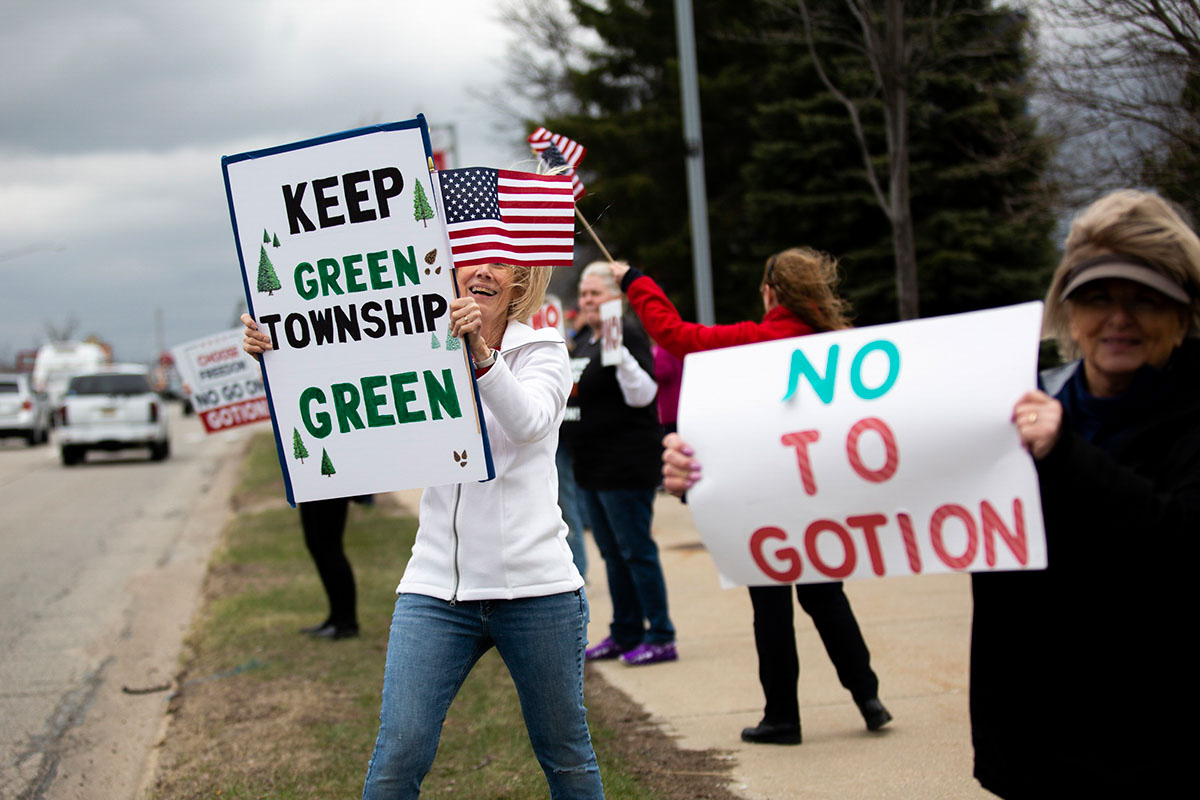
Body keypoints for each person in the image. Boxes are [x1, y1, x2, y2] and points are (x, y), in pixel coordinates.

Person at [242, 261, 604, 799]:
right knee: (399, 752)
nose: (481, 270)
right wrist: (278, 351)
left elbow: (528, 424)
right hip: (436, 590)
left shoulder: (543, 349)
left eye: (498, 262)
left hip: (535, 590)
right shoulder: (418, 340)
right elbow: (348, 382)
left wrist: (480, 353)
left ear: (521, 283)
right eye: (468, 258)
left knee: (565, 753)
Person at [969, 189, 1199, 797]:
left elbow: (1178, 542)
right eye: (1097, 298)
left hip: (1158, 753)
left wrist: (1065, 453)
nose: (1119, 318)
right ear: (1068, 310)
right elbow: (884, 492)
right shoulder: (1011, 410)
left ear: (1183, 313)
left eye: (1145, 299)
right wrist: (720, 476)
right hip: (1034, 750)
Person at [619, 249, 891, 744]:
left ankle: (783, 717)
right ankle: (867, 696)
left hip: (766, 501)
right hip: (817, 497)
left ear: (771, 291)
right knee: (827, 597)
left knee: (770, 607)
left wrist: (638, 282)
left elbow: (675, 336)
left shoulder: (756, 340)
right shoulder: (839, 348)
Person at [563, 262, 678, 666]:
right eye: (584, 293)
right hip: (591, 464)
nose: (587, 301)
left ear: (617, 298)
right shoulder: (583, 340)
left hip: (625, 463)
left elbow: (642, 394)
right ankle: (626, 631)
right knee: (612, 553)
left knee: (635, 550)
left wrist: (620, 355)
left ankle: (661, 633)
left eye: (596, 293)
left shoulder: (624, 333)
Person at [297, 496, 358, 639]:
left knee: (328, 547)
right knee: (316, 543)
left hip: (327, 484)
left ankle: (346, 623)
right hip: (310, 483)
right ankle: (335, 618)